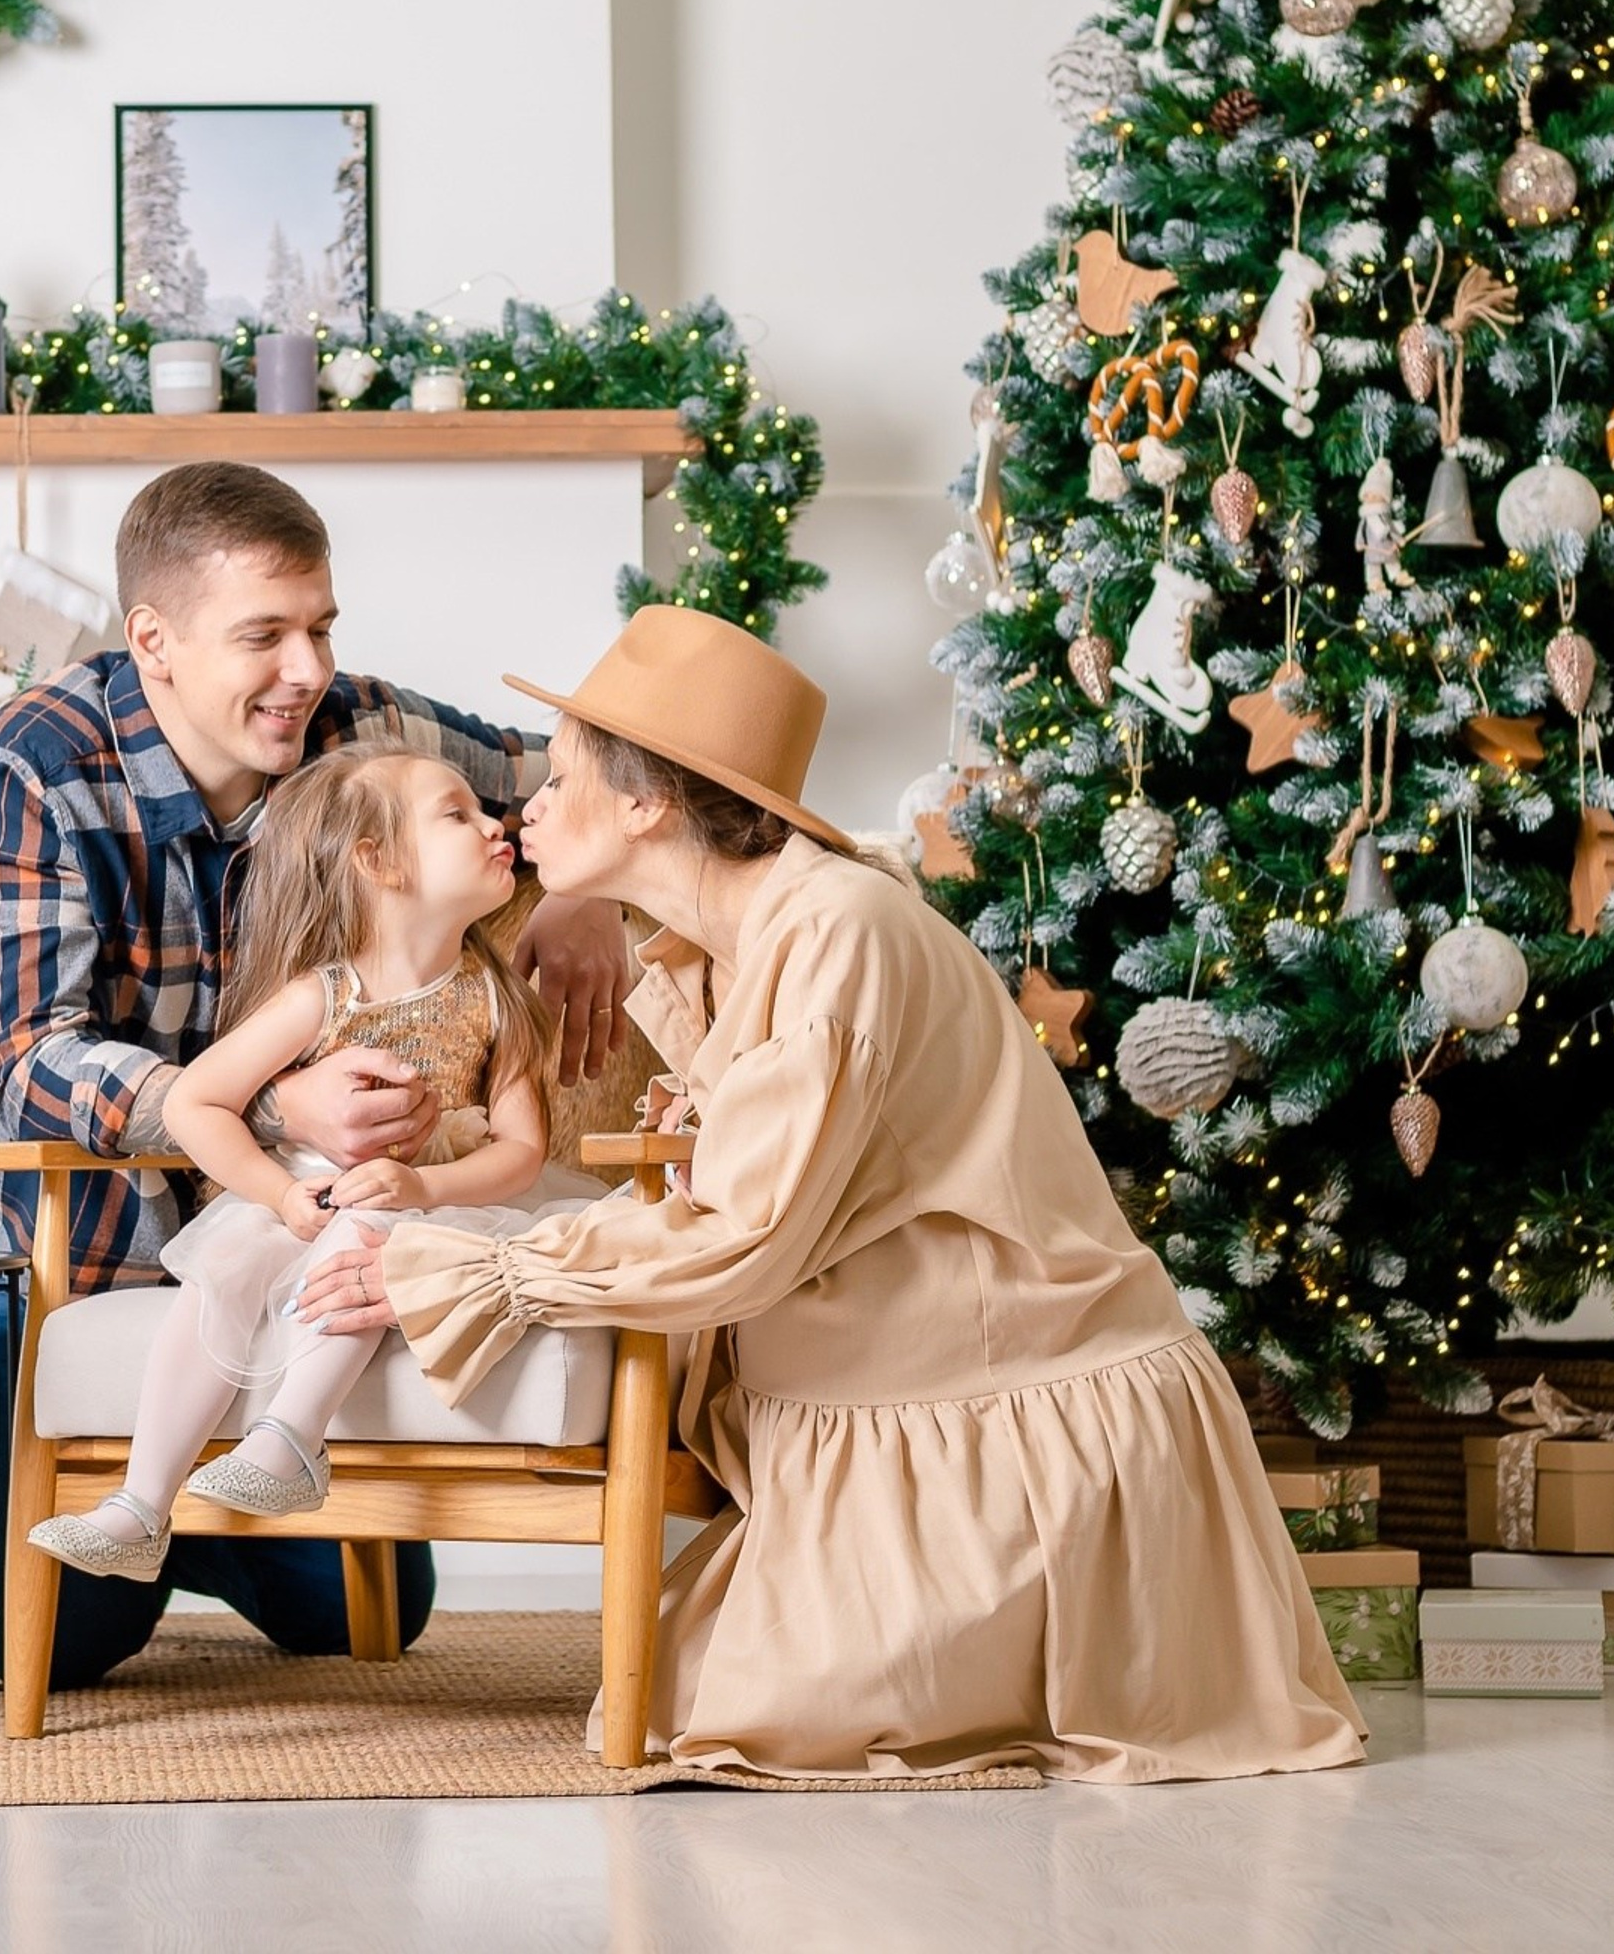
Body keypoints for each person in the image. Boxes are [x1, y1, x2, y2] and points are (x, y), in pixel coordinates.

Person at [297, 605, 1367, 1782]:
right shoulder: (734, 940)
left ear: (648, 805)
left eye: (557, 780)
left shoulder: (837, 933)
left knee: (707, 1711)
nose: (527, 809)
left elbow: (743, 1236)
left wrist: (475, 1268)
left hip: (1004, 1400)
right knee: (677, 1691)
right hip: (897, 1387)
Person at [0, 462, 629, 1685]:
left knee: (362, 1630)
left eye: (320, 626)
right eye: (263, 636)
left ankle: (221, 1510)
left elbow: (585, 771)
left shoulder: (360, 734)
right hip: (56, 1233)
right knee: (58, 1646)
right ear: (155, 640)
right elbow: (24, 1060)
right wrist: (262, 1100)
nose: (306, 670)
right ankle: (170, 1513)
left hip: (305, 1229)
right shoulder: (27, 766)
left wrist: (586, 887)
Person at [27, 746, 561, 1579]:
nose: (499, 824)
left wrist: (422, 1183)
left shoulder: (499, 1000)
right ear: (377, 862)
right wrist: (279, 1196)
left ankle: (292, 1439)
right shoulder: (322, 994)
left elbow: (524, 1153)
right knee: (223, 1271)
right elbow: (194, 1102)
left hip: (426, 1203)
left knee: (368, 1232)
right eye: (458, 814)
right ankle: (141, 1505)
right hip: (305, 1188)